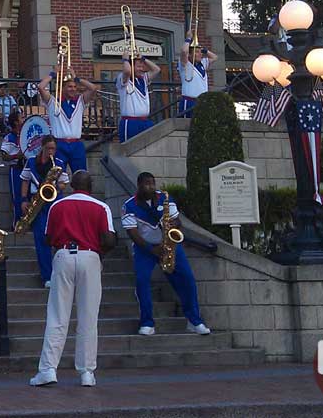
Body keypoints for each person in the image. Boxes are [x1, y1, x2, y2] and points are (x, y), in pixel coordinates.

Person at [29, 171, 117, 388]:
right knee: (88, 317)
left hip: (63, 255)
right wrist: (98, 253)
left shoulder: (58, 205)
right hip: (91, 255)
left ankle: (48, 369)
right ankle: (87, 372)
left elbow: (48, 238)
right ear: (91, 186)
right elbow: (109, 239)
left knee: (58, 315)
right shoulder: (101, 207)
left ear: (70, 186)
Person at [122, 172, 210, 337]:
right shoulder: (129, 205)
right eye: (147, 184)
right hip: (145, 249)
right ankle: (147, 323)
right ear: (139, 185)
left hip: (169, 244)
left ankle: (194, 320)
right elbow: (132, 233)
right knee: (142, 281)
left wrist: (173, 224)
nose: (151, 187)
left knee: (188, 279)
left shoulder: (165, 199)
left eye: (153, 183)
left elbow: (178, 222)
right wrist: (151, 249)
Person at [20, 135, 70, 288]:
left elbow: (64, 184)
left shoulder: (59, 163)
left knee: (58, 238)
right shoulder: (31, 162)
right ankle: (46, 275)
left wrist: (55, 187)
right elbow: (25, 180)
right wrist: (23, 199)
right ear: (41, 147)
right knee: (40, 240)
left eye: (53, 149)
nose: (51, 152)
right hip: (37, 202)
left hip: (54, 202)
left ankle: (60, 273)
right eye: (48, 148)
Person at [37, 67, 98, 171]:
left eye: (75, 86)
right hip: (59, 144)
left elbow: (93, 88)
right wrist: (52, 74)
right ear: (62, 88)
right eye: (69, 86)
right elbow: (41, 87)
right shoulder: (53, 101)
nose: (73, 89)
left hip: (76, 144)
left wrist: (77, 78)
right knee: (57, 176)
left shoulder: (80, 101)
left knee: (81, 175)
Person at [116, 54, 160, 142]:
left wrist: (143, 59)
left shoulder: (143, 79)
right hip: (131, 122)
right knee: (129, 150)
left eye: (142, 67)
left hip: (144, 121)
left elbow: (157, 69)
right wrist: (125, 60)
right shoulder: (123, 79)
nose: (141, 69)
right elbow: (127, 72)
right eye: (138, 66)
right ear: (131, 66)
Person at [177, 31, 218, 118]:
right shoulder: (185, 64)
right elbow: (184, 52)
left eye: (200, 52)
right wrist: (188, 39)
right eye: (197, 52)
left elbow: (215, 57)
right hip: (189, 101)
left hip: (202, 101)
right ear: (190, 54)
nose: (200, 54)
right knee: (186, 125)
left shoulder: (203, 63)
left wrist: (204, 50)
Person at [0, 109, 26, 224]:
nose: (24, 120)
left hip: (28, 168)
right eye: (22, 118)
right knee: (17, 198)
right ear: (16, 122)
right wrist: (17, 156)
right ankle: (17, 223)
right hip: (16, 169)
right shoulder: (9, 137)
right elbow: (4, 156)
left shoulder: (28, 134)